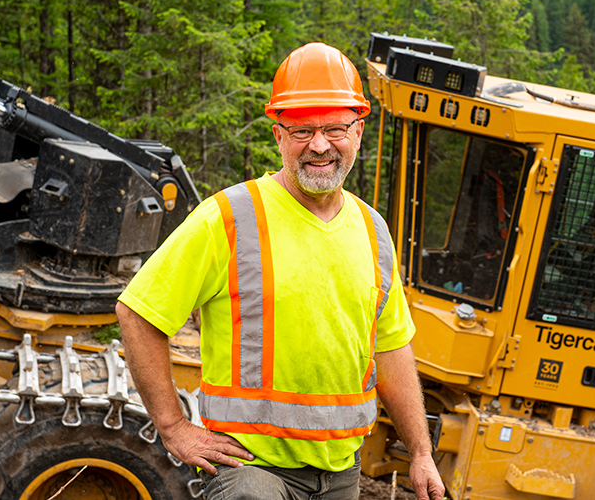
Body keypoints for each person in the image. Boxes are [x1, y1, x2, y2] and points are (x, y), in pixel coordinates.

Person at [116, 42, 445, 500]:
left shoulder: (373, 231)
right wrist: (173, 427)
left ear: (359, 131)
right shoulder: (230, 216)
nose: (320, 145)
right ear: (277, 135)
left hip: (340, 476)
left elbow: (390, 350)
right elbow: (138, 312)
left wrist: (422, 452)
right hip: (251, 471)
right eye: (301, 131)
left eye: (335, 128)